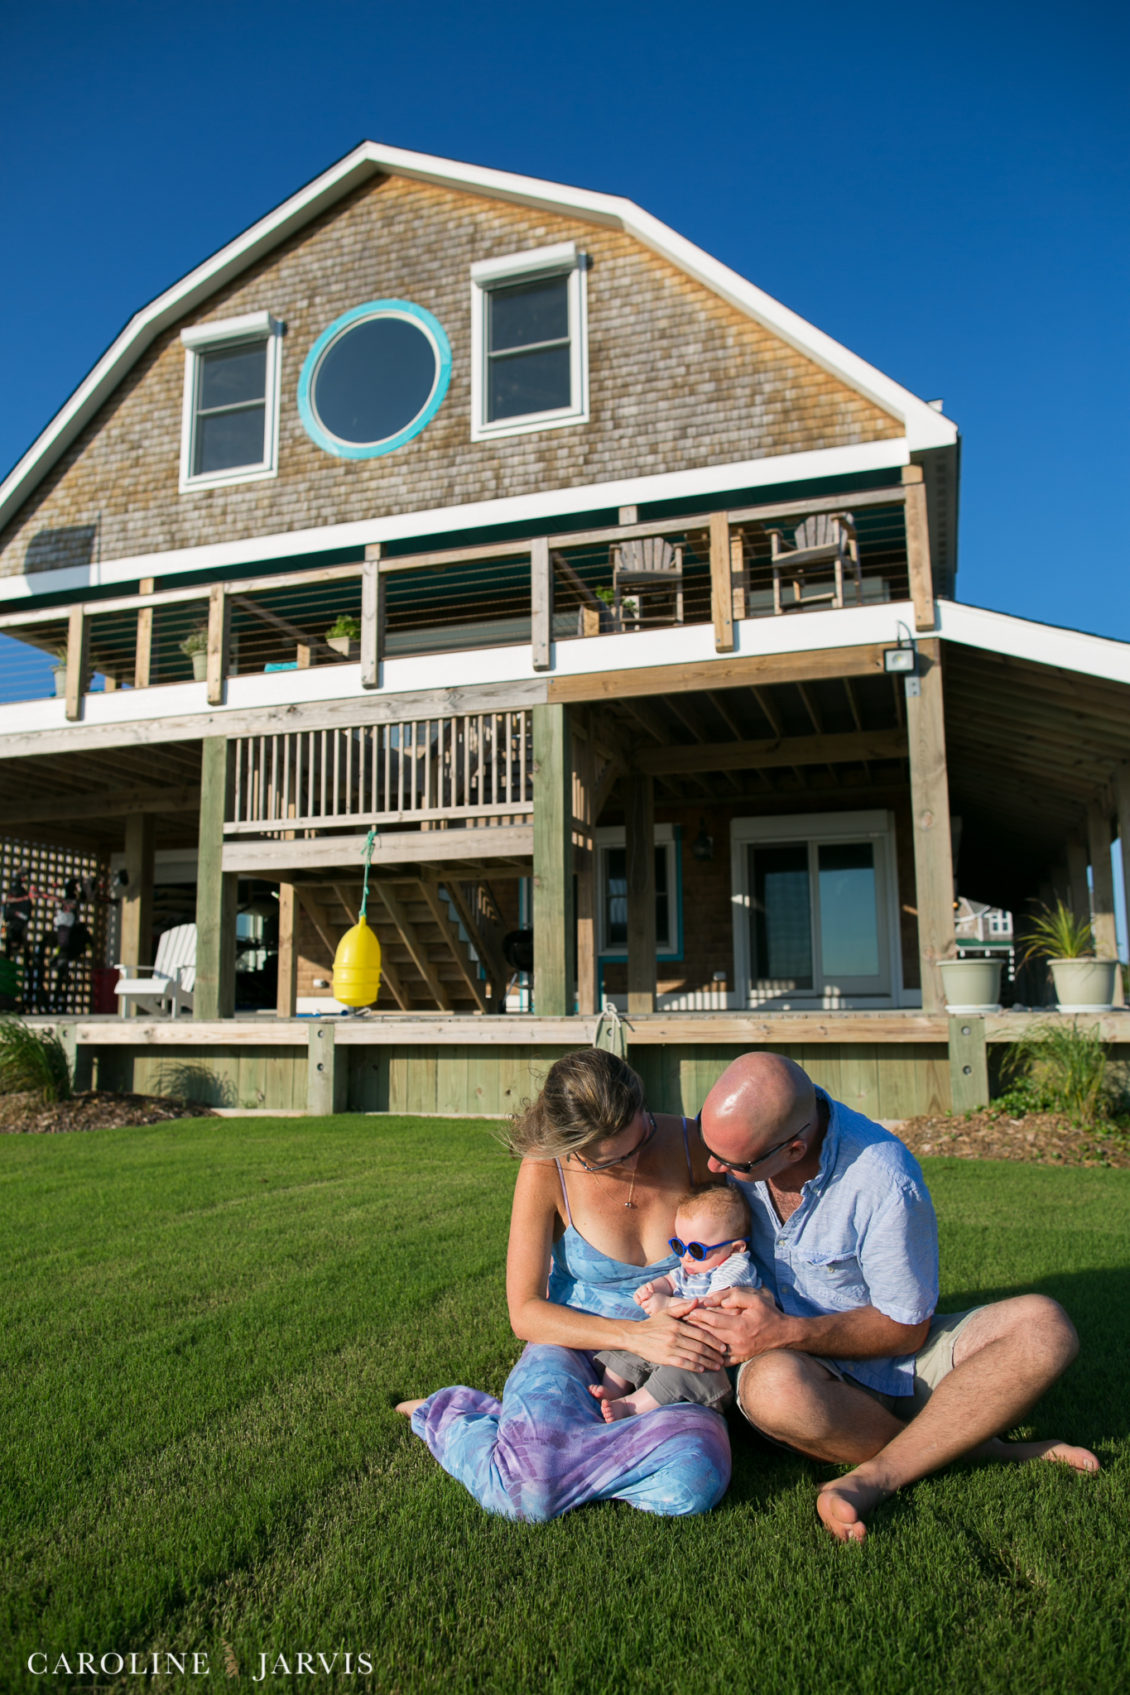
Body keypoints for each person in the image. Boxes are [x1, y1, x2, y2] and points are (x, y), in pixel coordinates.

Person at [684, 1052, 1099, 1542]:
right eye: (709, 1144)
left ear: (794, 1148)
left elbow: (907, 1329)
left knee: (1044, 1327)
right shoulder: (736, 1145)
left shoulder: (884, 1178)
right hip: (800, 1373)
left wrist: (789, 1331)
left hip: (889, 1354)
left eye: (732, 1162)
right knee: (772, 1390)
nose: (713, 1166)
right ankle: (972, 1445)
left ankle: (876, 1475)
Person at [396, 1048, 731, 1522]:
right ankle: (452, 1414)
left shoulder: (691, 1143)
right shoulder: (545, 1166)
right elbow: (526, 1311)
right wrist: (633, 1334)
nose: (628, 1163)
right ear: (568, 1144)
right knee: (528, 1498)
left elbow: (740, 1249)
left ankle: (544, 1444)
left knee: (693, 1483)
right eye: (603, 1160)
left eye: (636, 1143)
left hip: (669, 1361)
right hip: (571, 1343)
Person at [589, 1181, 763, 1421]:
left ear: (735, 1248)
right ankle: (615, 1388)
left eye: (698, 1250)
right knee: (631, 1342)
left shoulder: (735, 1267)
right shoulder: (692, 1267)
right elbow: (670, 1281)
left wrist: (668, 1306)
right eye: (679, 1246)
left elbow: (717, 1307)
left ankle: (632, 1406)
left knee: (681, 1373)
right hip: (675, 1341)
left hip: (711, 1362)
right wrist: (652, 1289)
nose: (687, 1257)